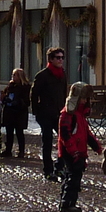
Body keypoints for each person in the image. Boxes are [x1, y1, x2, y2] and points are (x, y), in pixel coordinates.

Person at [56, 83, 101, 212]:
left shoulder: (80, 115)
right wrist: (73, 151)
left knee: (73, 178)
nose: (85, 101)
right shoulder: (68, 114)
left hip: (79, 152)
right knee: (72, 179)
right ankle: (67, 203)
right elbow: (65, 134)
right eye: (83, 98)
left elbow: (86, 134)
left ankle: (68, 202)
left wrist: (96, 146)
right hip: (71, 152)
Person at [31, 47, 69, 180]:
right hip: (45, 114)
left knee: (64, 141)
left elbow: (64, 93)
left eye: (62, 58)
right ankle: (48, 170)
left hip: (59, 114)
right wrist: (37, 111)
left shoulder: (62, 74)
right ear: (51, 59)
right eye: (58, 58)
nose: (61, 60)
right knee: (47, 142)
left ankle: (59, 167)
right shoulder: (42, 75)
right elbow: (34, 94)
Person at [1, 67, 31, 158]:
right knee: (9, 132)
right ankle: (8, 150)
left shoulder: (25, 87)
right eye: (13, 75)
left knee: (19, 132)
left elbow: (26, 101)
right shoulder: (10, 86)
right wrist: (5, 99)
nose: (13, 77)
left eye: (15, 75)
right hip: (9, 112)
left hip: (19, 113)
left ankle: (21, 151)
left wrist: (18, 102)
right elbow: (5, 96)